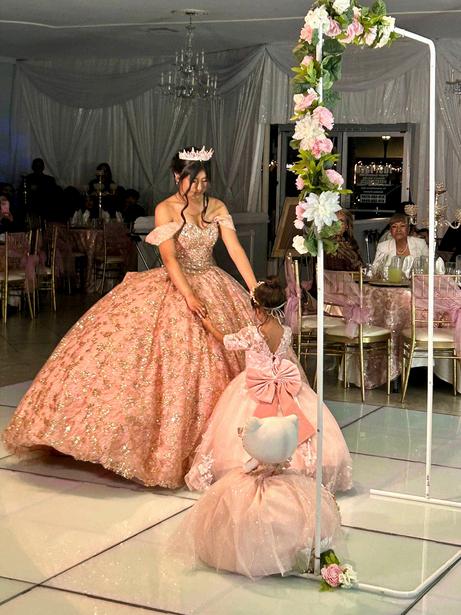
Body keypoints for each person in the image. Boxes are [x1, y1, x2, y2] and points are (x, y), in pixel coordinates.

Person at [3, 146, 257, 488]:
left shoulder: (217, 207)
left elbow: (235, 249)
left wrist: (254, 288)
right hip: (177, 283)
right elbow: (170, 258)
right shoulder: (165, 208)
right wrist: (189, 295)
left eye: (204, 181)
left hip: (213, 280)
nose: (199, 188)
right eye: (193, 181)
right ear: (176, 177)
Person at [185, 277, 352, 494]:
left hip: (255, 387)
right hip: (284, 386)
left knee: (250, 427)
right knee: (293, 422)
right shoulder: (286, 332)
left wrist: (209, 325)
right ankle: (292, 462)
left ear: (258, 310)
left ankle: (254, 461)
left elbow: (226, 341)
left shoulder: (252, 333)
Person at [25, 158, 59, 222]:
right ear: (33, 167)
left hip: (46, 210)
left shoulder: (50, 180)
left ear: (43, 167)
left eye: (40, 166)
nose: (38, 168)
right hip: (31, 209)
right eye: (36, 166)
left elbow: (54, 196)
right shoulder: (27, 179)